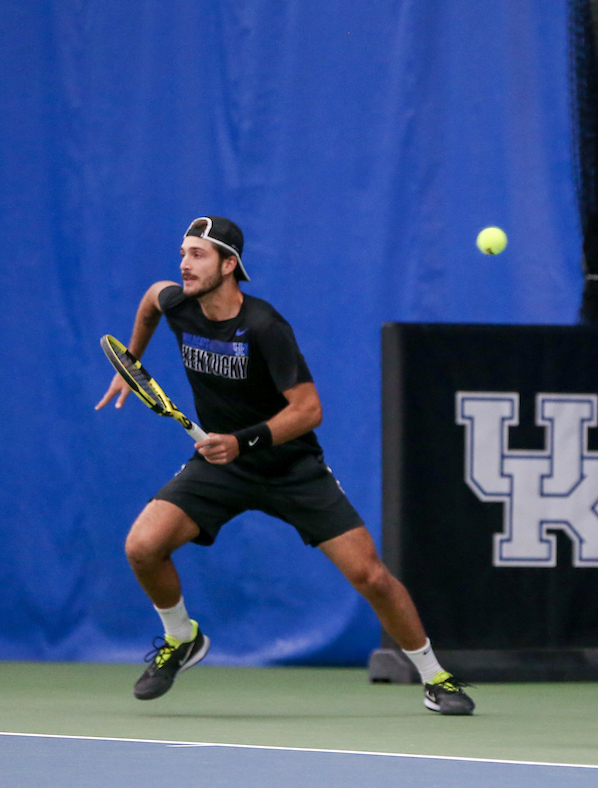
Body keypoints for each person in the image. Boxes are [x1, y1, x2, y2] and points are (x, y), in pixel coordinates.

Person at [96, 216, 474, 715]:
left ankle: (435, 678)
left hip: (290, 467)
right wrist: (133, 364)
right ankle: (181, 637)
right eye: (183, 253)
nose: (185, 265)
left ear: (229, 265)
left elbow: (309, 410)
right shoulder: (178, 303)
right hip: (220, 466)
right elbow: (150, 299)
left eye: (198, 255)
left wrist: (241, 441)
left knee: (371, 576)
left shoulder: (264, 326)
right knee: (143, 546)